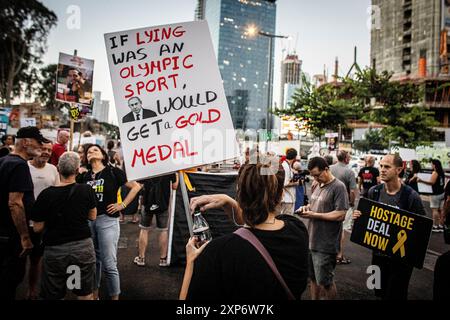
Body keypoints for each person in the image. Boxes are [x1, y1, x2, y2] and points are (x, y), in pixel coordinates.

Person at [179, 154, 309, 300]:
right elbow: (258, 226)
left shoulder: (218, 252)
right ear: (280, 195)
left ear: (239, 193)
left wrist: (191, 261)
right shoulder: (297, 230)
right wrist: (229, 202)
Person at [353, 154, 426, 300]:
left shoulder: (411, 196)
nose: (382, 170)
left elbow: (421, 228)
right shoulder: (374, 191)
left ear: (399, 170)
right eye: (381, 166)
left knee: (395, 295)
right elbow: (368, 218)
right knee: (378, 291)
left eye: (387, 167)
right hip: (378, 256)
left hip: (401, 261)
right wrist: (359, 217)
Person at [77, 144, 141, 300]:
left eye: (95, 150)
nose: (91, 152)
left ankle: (114, 298)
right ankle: (95, 295)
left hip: (107, 221)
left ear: (103, 155)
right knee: (94, 262)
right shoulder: (84, 176)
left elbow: (136, 186)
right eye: (88, 151)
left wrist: (122, 205)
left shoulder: (113, 172)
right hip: (88, 222)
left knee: (109, 264)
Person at [31, 152, 97, 300]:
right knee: (83, 293)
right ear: (77, 170)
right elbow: (92, 216)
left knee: (54, 293)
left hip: (55, 250)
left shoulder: (46, 195)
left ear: (58, 169)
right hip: (82, 249)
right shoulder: (86, 190)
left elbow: (37, 228)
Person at [0, 126, 50, 299]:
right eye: (38, 142)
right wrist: (25, 237)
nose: (41, 147)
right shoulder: (19, 165)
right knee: (10, 280)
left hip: (4, 233)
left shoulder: (5, 160)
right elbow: (15, 203)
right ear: (26, 141)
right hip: (11, 236)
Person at [296, 156, 348, 300]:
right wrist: (306, 208)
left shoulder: (338, 187)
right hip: (312, 240)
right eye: (313, 176)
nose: (315, 179)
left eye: (317, 175)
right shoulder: (317, 185)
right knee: (313, 279)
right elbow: (314, 206)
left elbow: (341, 214)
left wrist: (315, 214)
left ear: (326, 169)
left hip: (326, 244)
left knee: (326, 283)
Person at [26, 141, 60, 299]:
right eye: (43, 149)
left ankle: (32, 290)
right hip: (23, 222)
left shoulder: (53, 169)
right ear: (35, 150)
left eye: (49, 150)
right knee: (16, 261)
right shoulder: (24, 167)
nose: (46, 152)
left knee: (37, 260)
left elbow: (58, 194)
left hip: (44, 224)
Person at [134, 173, 178, 267]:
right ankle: (163, 259)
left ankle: (141, 258)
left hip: (147, 202)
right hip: (163, 203)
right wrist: (177, 174)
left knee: (144, 229)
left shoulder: (146, 163)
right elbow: (175, 186)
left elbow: (139, 185)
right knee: (163, 230)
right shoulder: (169, 167)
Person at [330, 150, 357, 265]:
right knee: (341, 229)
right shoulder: (349, 172)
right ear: (346, 158)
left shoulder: (329, 168)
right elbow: (352, 191)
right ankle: (339, 255)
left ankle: (329, 252)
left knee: (329, 227)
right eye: (349, 157)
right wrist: (351, 203)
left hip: (328, 201)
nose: (350, 158)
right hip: (342, 204)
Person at [417, 159, 445, 232]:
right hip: (442, 193)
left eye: (431, 164)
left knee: (435, 210)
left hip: (435, 194)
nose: (431, 165)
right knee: (442, 210)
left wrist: (421, 181)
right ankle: (441, 226)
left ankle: (435, 226)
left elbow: (431, 182)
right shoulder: (442, 172)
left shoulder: (435, 172)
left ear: (434, 165)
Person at [280, 148, 299, 215]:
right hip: (287, 198)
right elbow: (285, 183)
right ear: (295, 157)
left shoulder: (286, 165)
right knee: (287, 220)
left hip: (287, 197)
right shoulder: (286, 166)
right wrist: (296, 183)